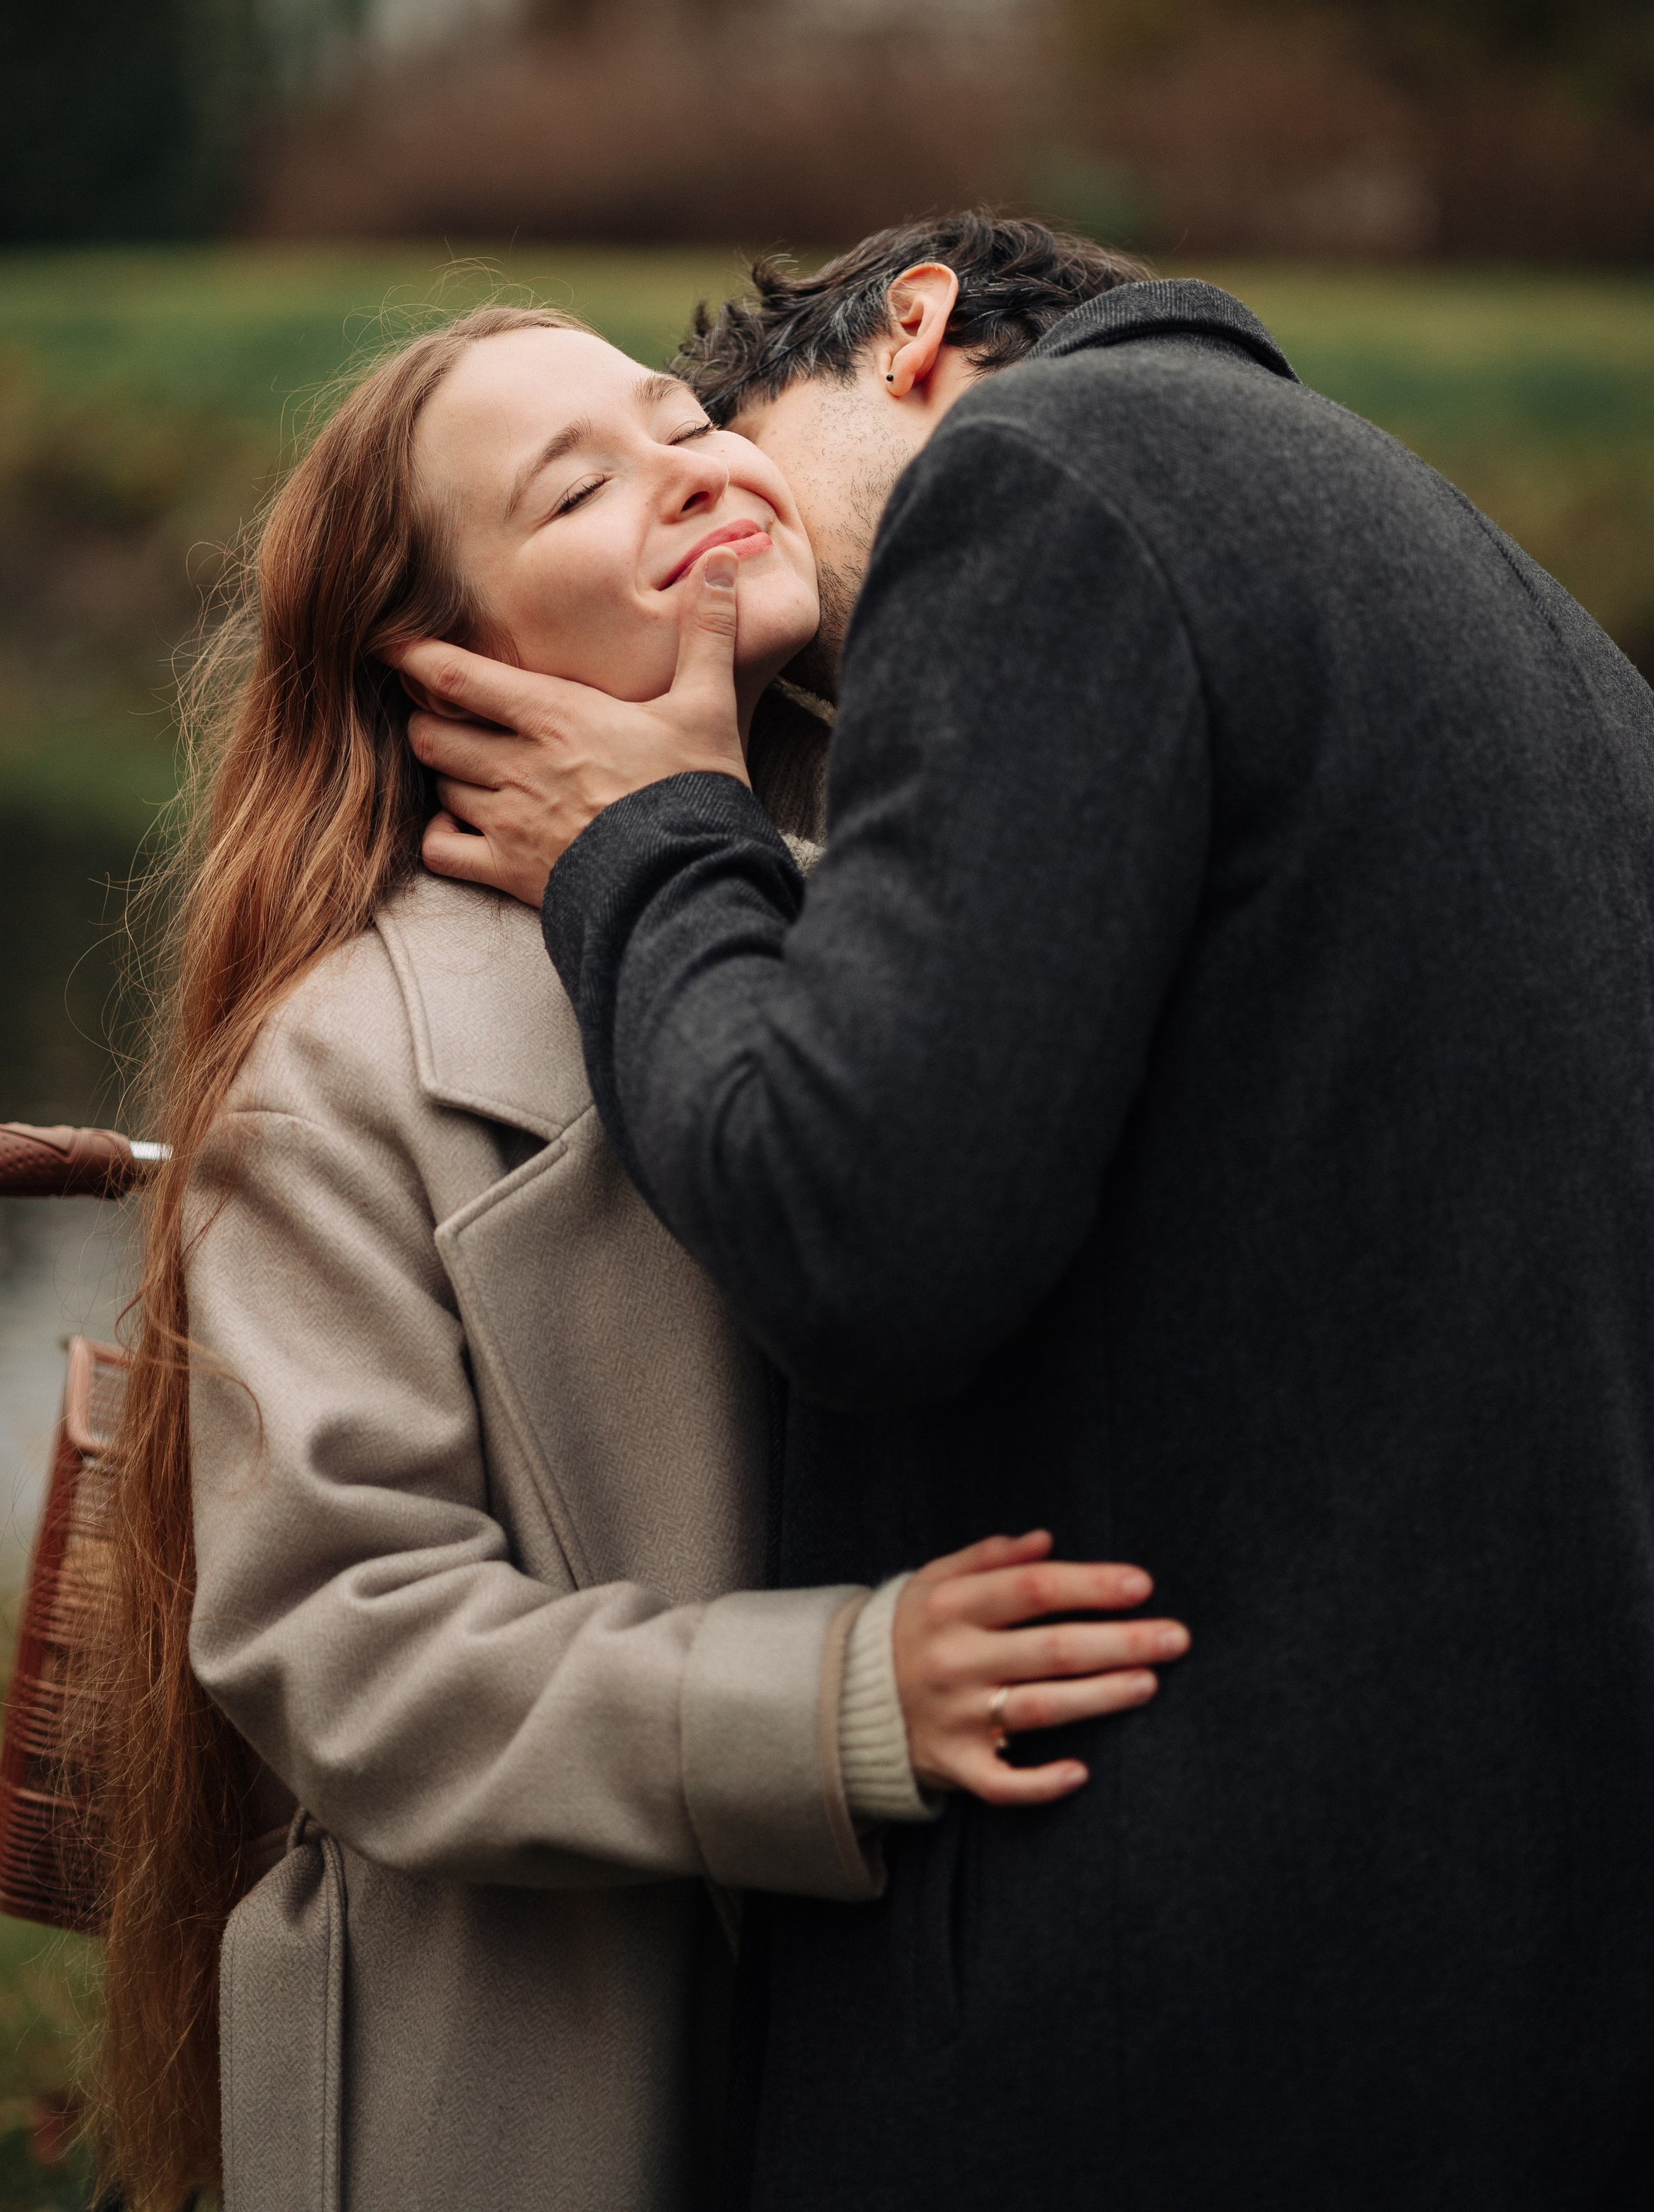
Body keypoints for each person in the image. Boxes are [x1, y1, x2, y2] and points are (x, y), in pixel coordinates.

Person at [399, 216, 1654, 2210]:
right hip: (1529, 1997)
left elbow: (852, 1225)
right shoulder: (1543, 638)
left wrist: (651, 841)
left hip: (1179, 2024)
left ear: (908, 329)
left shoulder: (1046, 477)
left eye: (720, 443)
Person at [90, 299, 1189, 2212]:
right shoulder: (348, 1063)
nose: (684, 466)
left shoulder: (941, 909)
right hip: (533, 2075)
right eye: (575, 487)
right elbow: (346, 1647)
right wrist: (834, 1704)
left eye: (681, 418)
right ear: (444, 666)